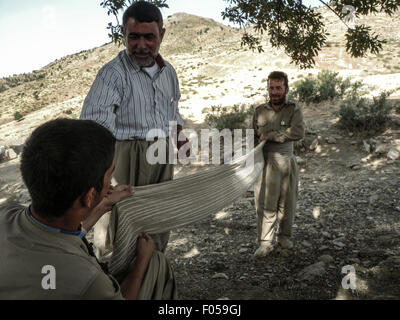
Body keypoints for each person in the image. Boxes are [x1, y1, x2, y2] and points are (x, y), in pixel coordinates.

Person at [0, 119, 177, 299]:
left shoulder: (6, 214)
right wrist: (142, 260)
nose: (111, 182)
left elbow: (58, 236)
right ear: (89, 196)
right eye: (110, 174)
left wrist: (100, 207)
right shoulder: (89, 280)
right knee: (157, 263)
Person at [80, 1, 189, 254]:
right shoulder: (112, 74)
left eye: (149, 37)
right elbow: (95, 124)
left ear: (161, 34)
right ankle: (114, 281)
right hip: (123, 156)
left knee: (158, 218)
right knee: (118, 221)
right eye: (134, 37)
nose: (141, 45)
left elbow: (172, 111)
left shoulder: (169, 72)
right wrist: (101, 170)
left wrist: (180, 139)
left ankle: (152, 271)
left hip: (161, 154)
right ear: (124, 35)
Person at [251, 71, 305, 258]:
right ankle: (265, 243)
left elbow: (298, 132)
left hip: (287, 161)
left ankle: (284, 238)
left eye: (278, 88)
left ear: (286, 89)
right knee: (265, 203)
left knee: (287, 202)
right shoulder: (259, 111)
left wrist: (273, 136)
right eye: (271, 88)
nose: (274, 92)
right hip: (265, 163)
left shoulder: (293, 110)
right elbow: (254, 138)